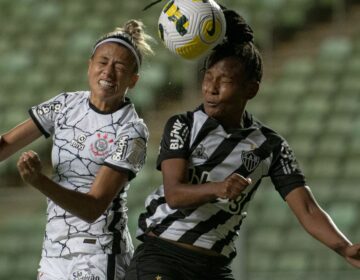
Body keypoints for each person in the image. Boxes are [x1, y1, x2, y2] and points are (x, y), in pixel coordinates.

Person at [124, 9, 360, 280]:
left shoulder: (269, 146)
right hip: (163, 257)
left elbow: (306, 208)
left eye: (224, 81)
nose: (211, 88)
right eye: (208, 77)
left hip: (215, 268)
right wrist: (219, 188)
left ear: (251, 89)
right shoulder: (183, 125)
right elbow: (175, 194)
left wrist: (343, 247)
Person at [0, 19, 154, 280]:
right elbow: (6, 144)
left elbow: (93, 208)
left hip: (99, 253)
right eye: (103, 62)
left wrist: (38, 180)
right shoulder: (64, 105)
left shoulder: (133, 131)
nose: (108, 72)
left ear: (134, 79)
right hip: (54, 250)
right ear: (89, 65)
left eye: (120, 67)